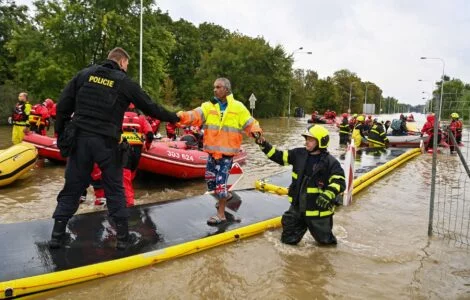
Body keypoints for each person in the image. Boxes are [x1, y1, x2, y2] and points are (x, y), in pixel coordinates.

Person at [50, 47, 180, 250]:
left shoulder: (84, 75)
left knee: (72, 188)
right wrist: (175, 117)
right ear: (121, 62)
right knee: (115, 189)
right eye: (127, 64)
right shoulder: (124, 82)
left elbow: (63, 106)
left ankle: (57, 236)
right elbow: (151, 107)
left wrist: (61, 136)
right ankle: (122, 238)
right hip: (107, 143)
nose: (126, 68)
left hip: (80, 140)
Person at [177, 77, 262, 225]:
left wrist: (256, 132)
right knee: (210, 184)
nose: (214, 89)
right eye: (214, 87)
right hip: (211, 154)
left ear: (226, 89)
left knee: (220, 185)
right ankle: (226, 196)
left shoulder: (238, 107)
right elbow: (194, 115)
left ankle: (221, 214)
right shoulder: (208, 106)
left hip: (226, 156)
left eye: (218, 87)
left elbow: (250, 123)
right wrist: (180, 116)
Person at [256, 125, 345, 245]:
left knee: (326, 246)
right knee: (287, 242)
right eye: (306, 139)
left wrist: (328, 193)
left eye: (311, 140)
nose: (307, 142)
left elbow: (339, 181)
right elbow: (279, 156)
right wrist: (263, 144)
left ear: (321, 142)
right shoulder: (298, 154)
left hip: (318, 212)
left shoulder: (331, 162)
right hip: (297, 208)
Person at [121, 103, 154, 207]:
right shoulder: (141, 118)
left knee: (124, 176)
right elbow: (149, 134)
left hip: (123, 149)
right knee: (130, 175)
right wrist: (147, 146)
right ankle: (127, 197)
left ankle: (128, 202)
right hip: (136, 150)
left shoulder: (118, 115)